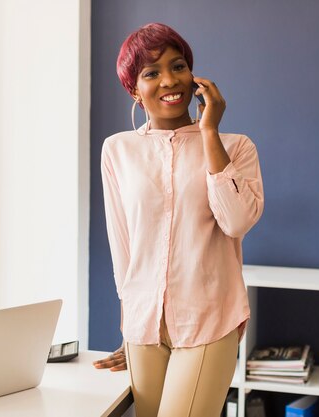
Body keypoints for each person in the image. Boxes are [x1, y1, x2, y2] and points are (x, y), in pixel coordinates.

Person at [96, 23, 264, 417]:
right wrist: (131, 325)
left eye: (179, 66)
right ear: (134, 89)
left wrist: (210, 133)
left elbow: (236, 222)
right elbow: (123, 246)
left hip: (209, 319)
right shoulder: (117, 150)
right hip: (143, 328)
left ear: (195, 77)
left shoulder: (236, 147)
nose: (169, 80)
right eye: (151, 73)